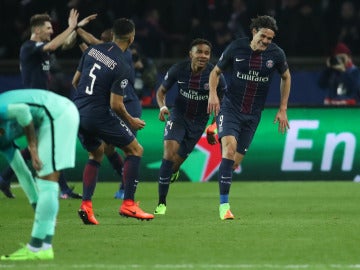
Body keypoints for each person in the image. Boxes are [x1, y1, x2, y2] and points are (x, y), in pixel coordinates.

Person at [207, 15, 291, 220]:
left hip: (253, 115)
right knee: (229, 149)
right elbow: (215, 72)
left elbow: (286, 77)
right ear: (254, 32)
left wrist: (282, 108)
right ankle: (224, 206)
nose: (266, 41)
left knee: (234, 162)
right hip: (231, 108)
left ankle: (215, 127)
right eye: (263, 36)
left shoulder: (276, 54)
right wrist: (213, 94)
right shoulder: (237, 48)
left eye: (270, 38)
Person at [72, 18, 154, 225]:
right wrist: (132, 121)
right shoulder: (122, 65)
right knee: (135, 150)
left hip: (78, 111)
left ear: (114, 34)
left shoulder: (92, 51)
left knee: (96, 153)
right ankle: (128, 203)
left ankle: (86, 206)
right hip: (98, 114)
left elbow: (75, 81)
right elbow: (116, 105)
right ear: (132, 37)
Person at [0, 9, 82, 199]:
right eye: (48, 28)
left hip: (42, 103)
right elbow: (54, 45)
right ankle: (64, 189)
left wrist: (76, 29)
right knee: (50, 143)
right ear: (37, 30)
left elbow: (64, 44)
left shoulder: (42, 49)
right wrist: (70, 26)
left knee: (42, 144)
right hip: (33, 104)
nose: (51, 31)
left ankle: (5, 179)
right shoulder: (29, 47)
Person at [0, 89, 79, 260]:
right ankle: (44, 247)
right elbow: (23, 174)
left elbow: (23, 111)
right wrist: (37, 207)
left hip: (58, 113)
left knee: (46, 180)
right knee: (46, 182)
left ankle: (35, 248)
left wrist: (32, 148)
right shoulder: (3, 143)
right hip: (54, 116)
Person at [153, 38, 227, 215]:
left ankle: (174, 172)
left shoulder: (215, 75)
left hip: (198, 123)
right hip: (178, 116)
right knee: (168, 154)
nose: (203, 56)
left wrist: (213, 126)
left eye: (207, 53)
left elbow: (223, 102)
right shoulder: (178, 70)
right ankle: (161, 203)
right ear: (190, 54)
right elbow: (161, 92)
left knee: (173, 166)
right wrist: (162, 107)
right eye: (199, 52)